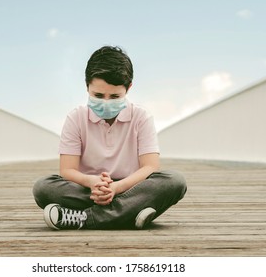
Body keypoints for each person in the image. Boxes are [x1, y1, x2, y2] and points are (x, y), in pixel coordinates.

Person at [33, 45, 187, 230]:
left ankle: (83, 218)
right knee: (43, 187)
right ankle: (130, 213)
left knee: (175, 181)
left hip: (131, 187)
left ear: (128, 88)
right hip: (90, 189)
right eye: (98, 95)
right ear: (86, 86)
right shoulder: (75, 118)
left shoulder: (141, 117)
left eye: (114, 96)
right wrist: (93, 182)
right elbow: (67, 170)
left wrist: (117, 188)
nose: (105, 102)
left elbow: (150, 166)